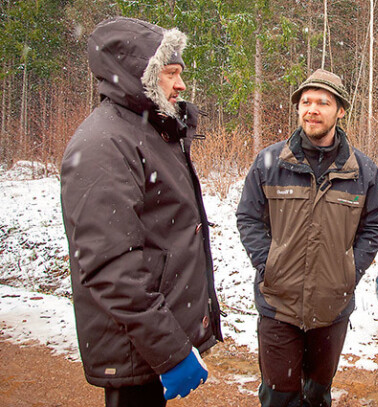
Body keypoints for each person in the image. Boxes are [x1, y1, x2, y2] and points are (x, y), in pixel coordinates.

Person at [60, 17, 223, 406]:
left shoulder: (150, 132)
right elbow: (111, 266)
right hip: (133, 347)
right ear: (138, 75)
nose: (180, 85)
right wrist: (169, 351)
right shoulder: (105, 143)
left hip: (145, 342)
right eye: (170, 73)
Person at [236, 69, 378, 406]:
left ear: (341, 110)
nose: (312, 109)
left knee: (317, 396)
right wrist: (268, 264)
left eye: (323, 102)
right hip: (279, 305)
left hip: (332, 307)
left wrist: (349, 270)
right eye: (306, 102)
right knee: (279, 397)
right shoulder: (270, 163)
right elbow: (248, 218)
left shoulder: (362, 171)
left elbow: (373, 226)